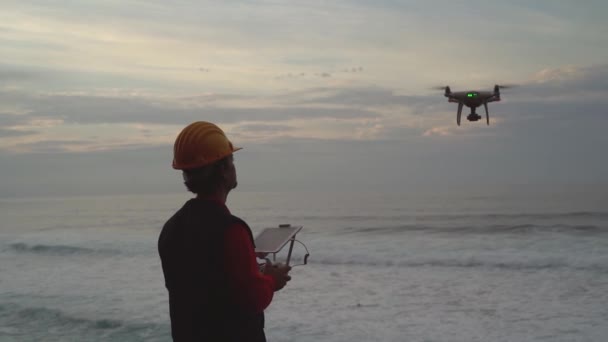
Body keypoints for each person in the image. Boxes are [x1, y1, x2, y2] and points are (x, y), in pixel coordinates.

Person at [158, 121, 292, 342]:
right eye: (231, 160)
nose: (233, 166)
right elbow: (253, 298)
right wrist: (271, 279)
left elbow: (204, 282)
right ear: (222, 169)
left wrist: (247, 262)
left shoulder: (171, 228)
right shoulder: (231, 230)